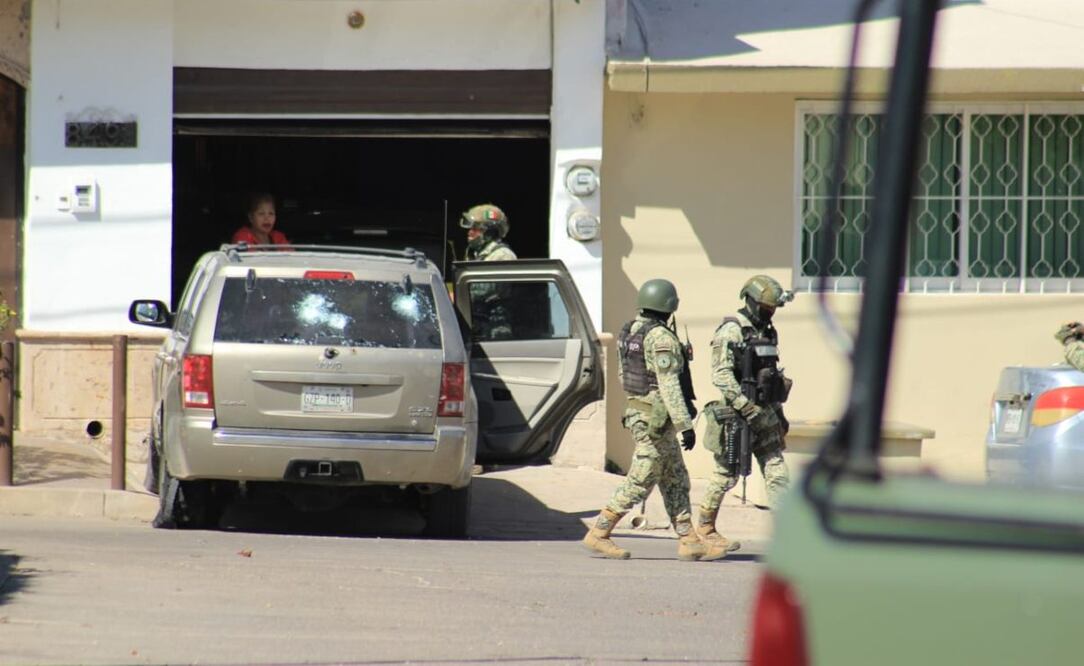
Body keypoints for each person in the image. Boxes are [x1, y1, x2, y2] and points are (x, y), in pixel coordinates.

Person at [582, 279, 728, 561]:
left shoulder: (629, 331)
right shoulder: (661, 338)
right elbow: (669, 385)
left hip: (644, 414)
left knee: (675, 478)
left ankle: (689, 540)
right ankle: (599, 532)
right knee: (641, 478)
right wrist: (685, 426)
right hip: (655, 421)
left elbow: (625, 375)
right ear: (670, 306)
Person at [697, 275, 794, 549]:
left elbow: (771, 376)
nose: (770, 312)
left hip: (766, 415)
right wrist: (745, 407)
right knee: (725, 475)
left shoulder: (768, 332)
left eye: (773, 308)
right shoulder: (732, 331)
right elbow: (721, 375)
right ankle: (705, 528)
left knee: (777, 472)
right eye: (766, 307)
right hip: (738, 415)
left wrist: (779, 414)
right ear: (751, 301)